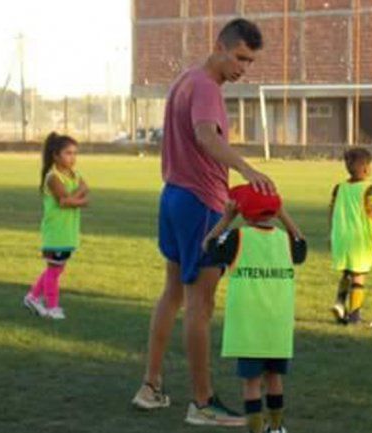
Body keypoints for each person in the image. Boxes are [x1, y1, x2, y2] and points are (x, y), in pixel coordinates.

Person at [132, 18, 275, 427]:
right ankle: (203, 402)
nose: (243, 69)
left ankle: (151, 386)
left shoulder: (184, 80)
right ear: (220, 46)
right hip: (200, 204)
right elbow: (206, 137)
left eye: (250, 62)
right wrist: (248, 170)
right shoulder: (207, 87)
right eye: (240, 58)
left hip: (174, 197)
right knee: (200, 305)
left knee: (172, 294)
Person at [203, 184, 306, 433]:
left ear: (244, 213)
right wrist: (284, 215)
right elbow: (301, 245)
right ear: (274, 210)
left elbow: (208, 246)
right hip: (276, 326)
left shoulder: (238, 237)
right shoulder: (284, 240)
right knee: (274, 378)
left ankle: (256, 430)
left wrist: (226, 219)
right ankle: (277, 427)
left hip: (249, 325)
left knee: (251, 383)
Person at [23, 132, 88, 320]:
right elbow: (63, 201)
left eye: (75, 153)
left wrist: (72, 198)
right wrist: (78, 200)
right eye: (68, 153)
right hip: (56, 233)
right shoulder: (53, 177)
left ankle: (33, 296)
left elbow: (85, 188)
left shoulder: (75, 174)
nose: (73, 157)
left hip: (68, 233)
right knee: (53, 270)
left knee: (57, 269)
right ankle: (52, 307)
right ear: (56, 156)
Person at [329, 147, 372, 326]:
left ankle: (340, 305)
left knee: (346, 273)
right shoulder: (369, 188)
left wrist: (333, 234)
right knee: (359, 276)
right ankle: (355, 315)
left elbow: (332, 211)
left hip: (341, 238)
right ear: (365, 167)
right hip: (359, 240)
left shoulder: (339, 188)